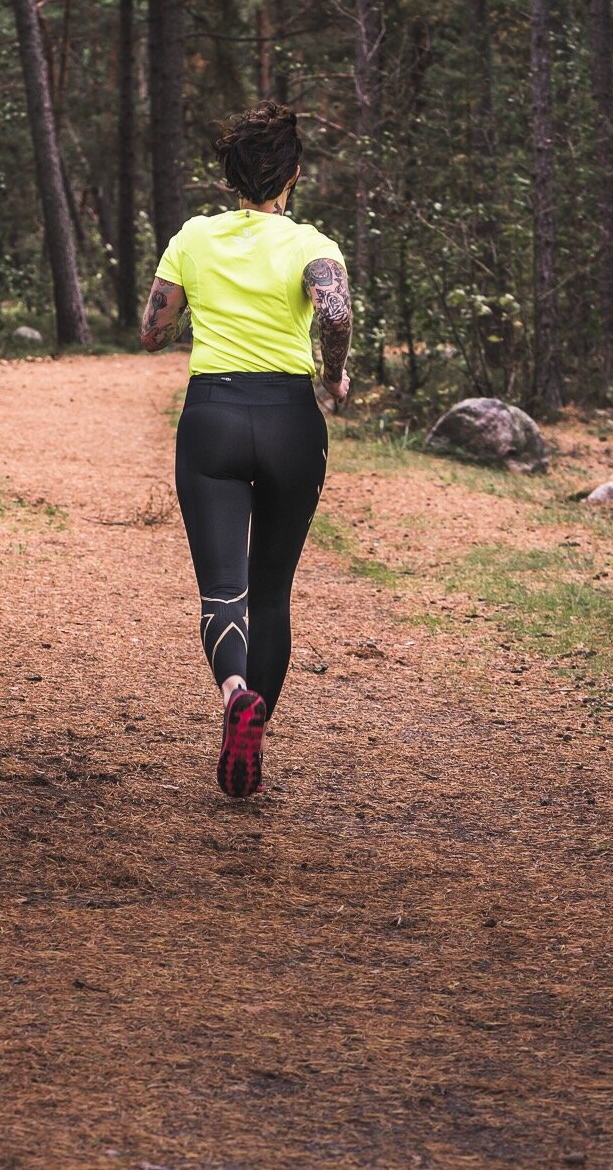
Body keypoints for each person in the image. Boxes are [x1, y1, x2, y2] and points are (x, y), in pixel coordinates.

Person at [139, 101, 351, 799]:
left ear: (229, 175)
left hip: (215, 416)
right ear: (291, 176)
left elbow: (154, 330)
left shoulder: (193, 238)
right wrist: (338, 372)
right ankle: (254, 735)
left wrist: (197, 304)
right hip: (292, 420)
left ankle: (235, 695)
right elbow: (335, 311)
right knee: (273, 592)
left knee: (222, 590)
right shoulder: (314, 245)